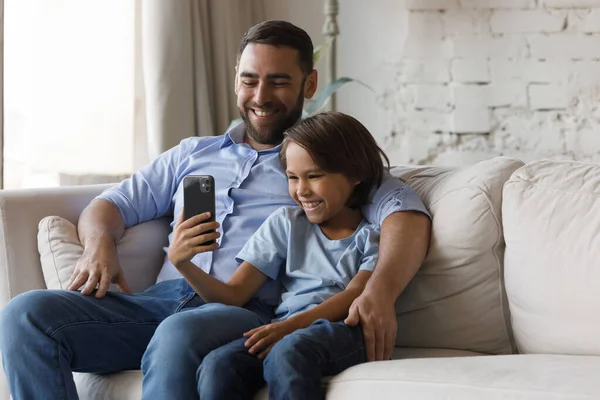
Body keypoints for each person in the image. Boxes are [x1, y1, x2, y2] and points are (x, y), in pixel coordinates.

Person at [0, 20, 430, 400]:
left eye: (279, 81)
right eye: (249, 80)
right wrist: (99, 244)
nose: (260, 96)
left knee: (179, 332)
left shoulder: (317, 163)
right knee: (24, 317)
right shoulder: (192, 153)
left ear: (310, 84)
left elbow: (403, 212)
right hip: (162, 301)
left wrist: (380, 290)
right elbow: (110, 205)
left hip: (243, 309)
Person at [172, 111, 390, 400]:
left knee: (290, 351)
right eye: (292, 177)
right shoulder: (286, 223)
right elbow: (234, 295)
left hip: (345, 331)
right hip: (284, 328)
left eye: (314, 176)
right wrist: (183, 263)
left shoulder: (373, 237)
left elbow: (354, 296)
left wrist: (289, 327)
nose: (302, 191)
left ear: (356, 174)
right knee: (219, 365)